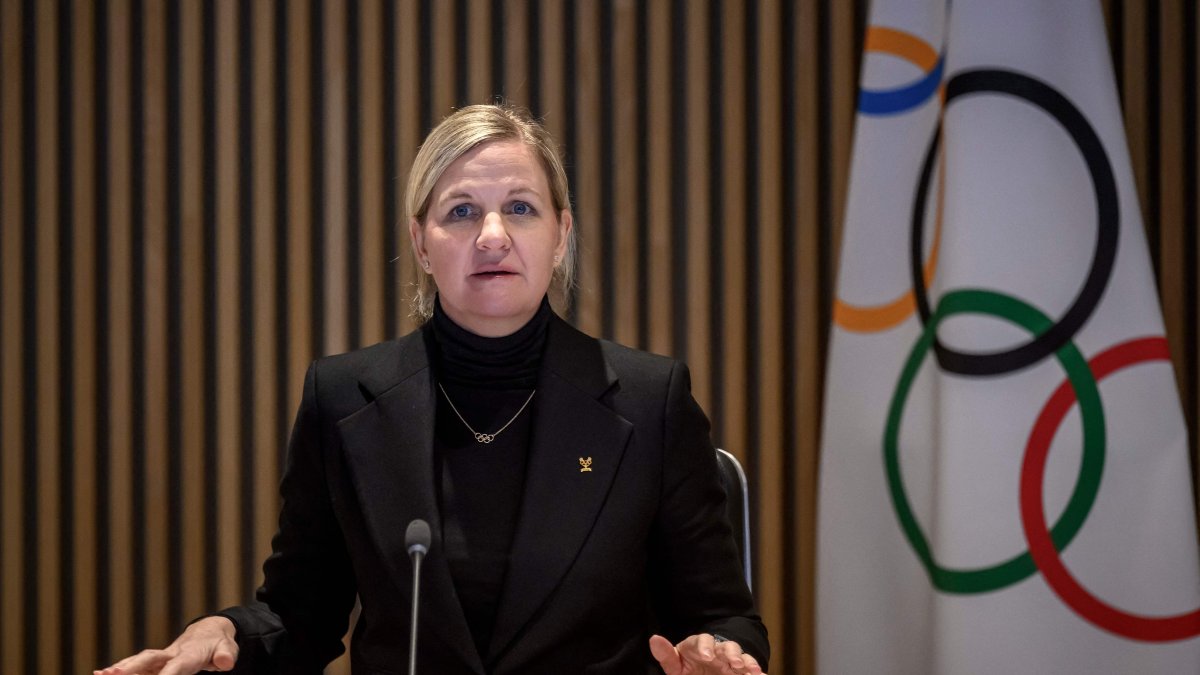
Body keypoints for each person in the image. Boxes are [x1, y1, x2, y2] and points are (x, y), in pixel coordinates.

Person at [97, 104, 770, 675]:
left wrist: (721, 652)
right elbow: (300, 613)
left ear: (561, 235)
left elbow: (722, 615)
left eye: (521, 207)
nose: (493, 235)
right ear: (421, 242)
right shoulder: (345, 398)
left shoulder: (650, 401)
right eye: (461, 211)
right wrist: (225, 634)